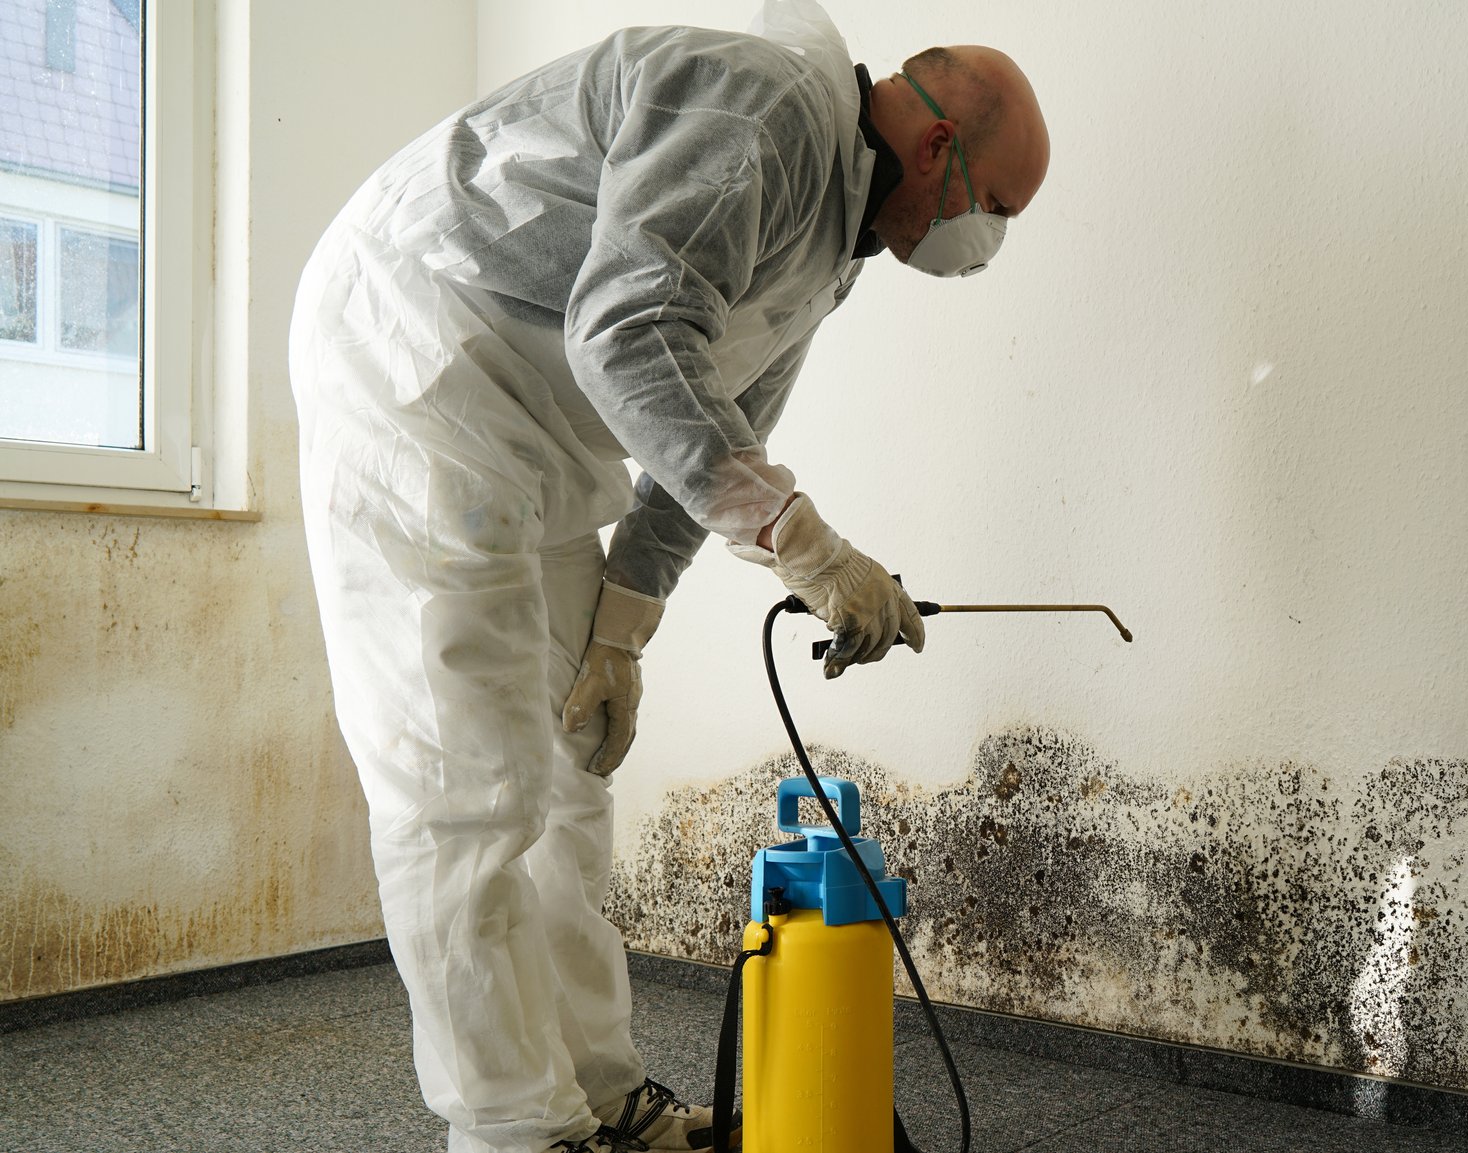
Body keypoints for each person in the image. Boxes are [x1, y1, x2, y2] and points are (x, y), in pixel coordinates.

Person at [285, 1, 1049, 1149]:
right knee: (469, 791)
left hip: (537, 430)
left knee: (568, 781)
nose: (979, 240)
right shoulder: (766, 115)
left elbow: (711, 436)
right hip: (420, 366)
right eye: (992, 208)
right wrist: (810, 548)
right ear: (937, 147)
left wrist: (620, 635)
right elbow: (626, 336)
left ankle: (599, 1096)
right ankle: (512, 1128)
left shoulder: (827, 252)